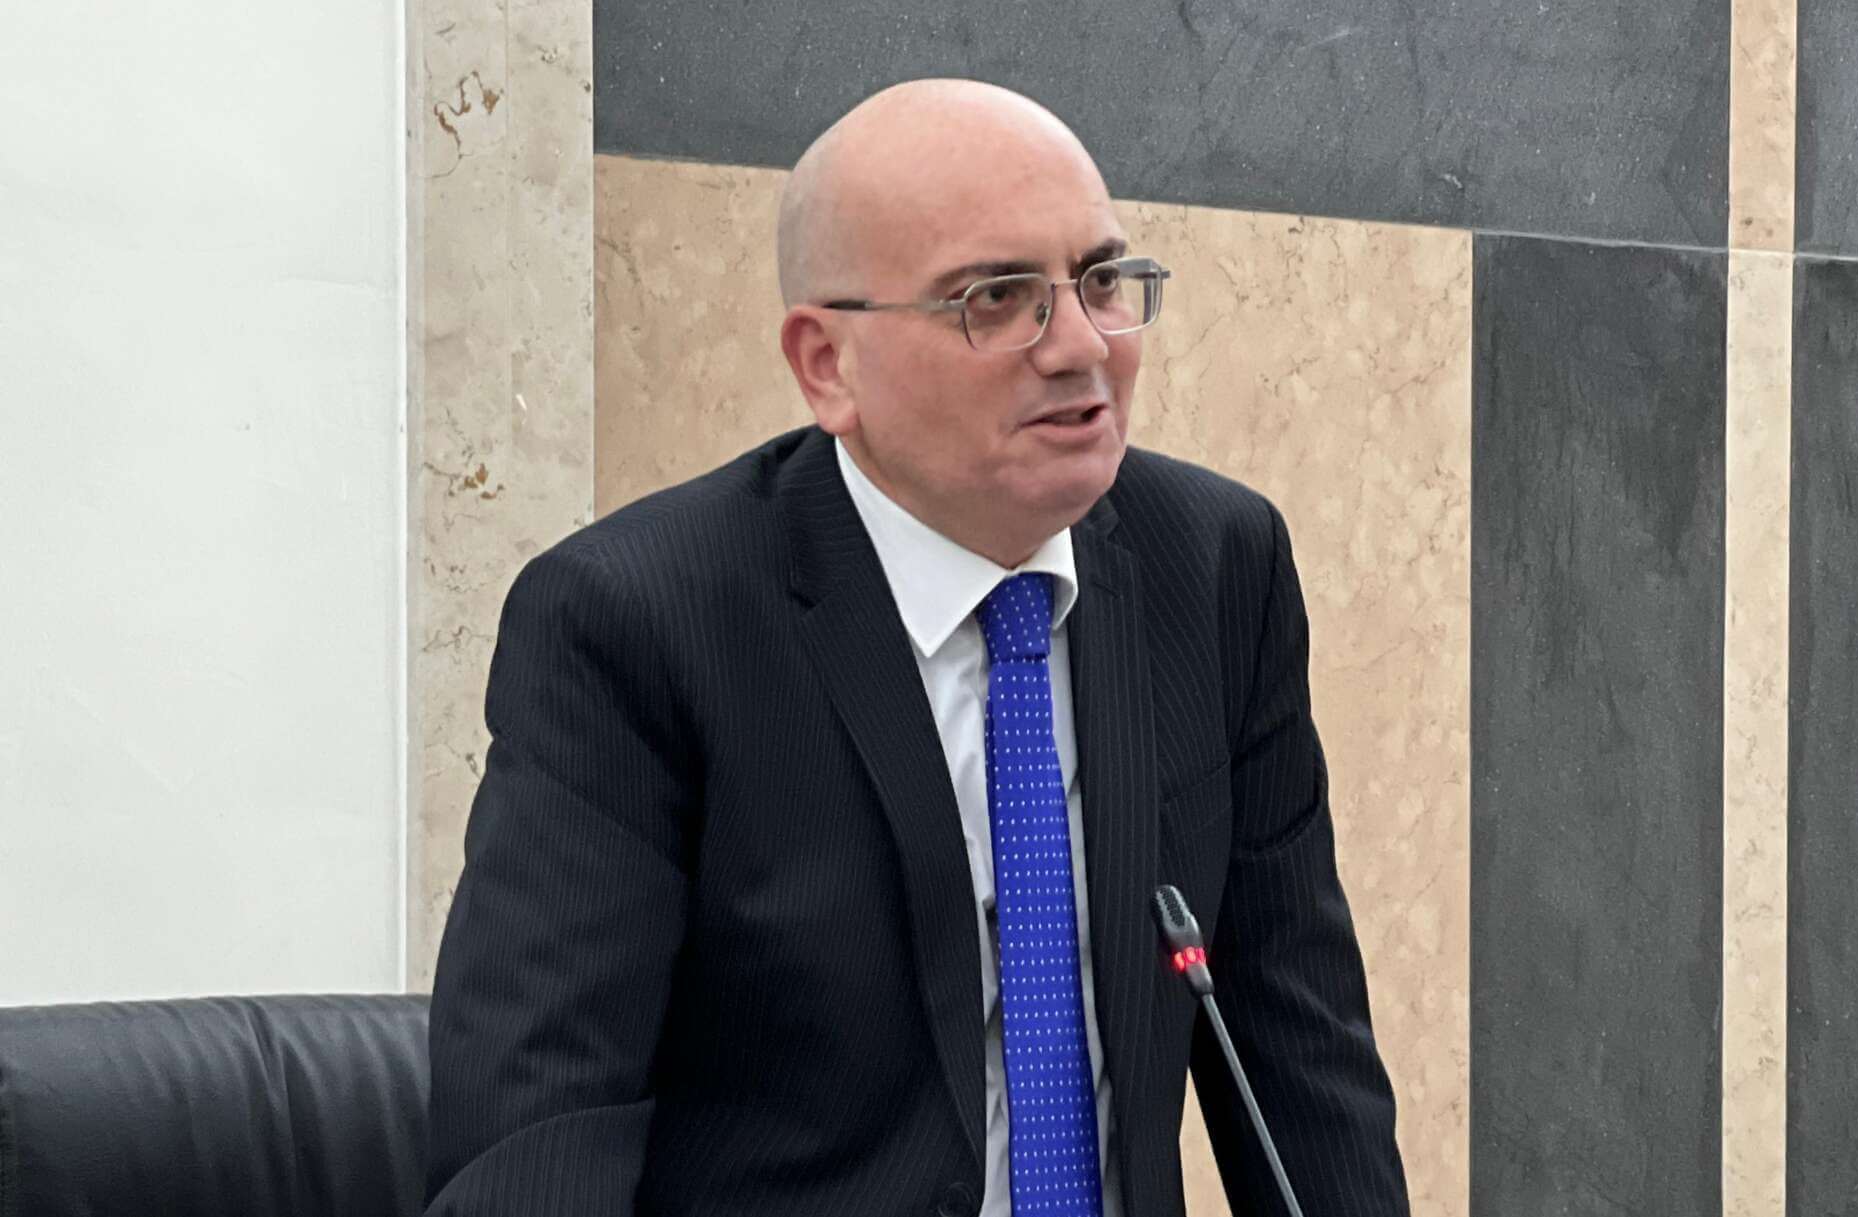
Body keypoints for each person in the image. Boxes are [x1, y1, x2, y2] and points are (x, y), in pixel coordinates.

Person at [424, 78, 1409, 1217]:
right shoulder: (635, 625)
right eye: (997, 299)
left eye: (1100, 280)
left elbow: (1303, 1061)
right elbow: (537, 1138)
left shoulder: (1216, 565)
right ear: (827, 365)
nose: (1080, 345)